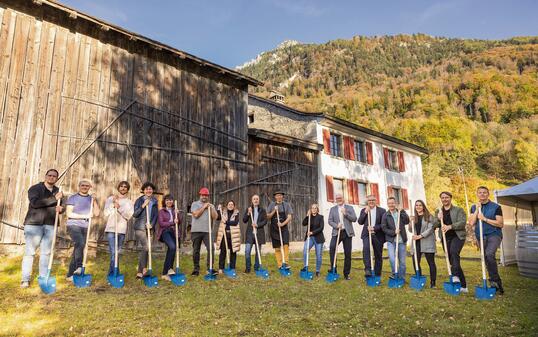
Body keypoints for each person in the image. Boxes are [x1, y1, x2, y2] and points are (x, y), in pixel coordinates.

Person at [20, 169, 64, 288]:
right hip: (34, 224)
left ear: (57, 178)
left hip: (50, 224)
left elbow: (61, 206)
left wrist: (61, 209)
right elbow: (35, 203)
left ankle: (43, 277)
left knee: (46, 252)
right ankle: (25, 279)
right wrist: (54, 199)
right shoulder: (35, 189)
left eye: (54, 176)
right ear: (45, 176)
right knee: (30, 253)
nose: (51, 177)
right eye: (49, 175)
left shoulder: (58, 191)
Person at [469, 186, 504, 294]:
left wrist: (484, 219)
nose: (482, 194)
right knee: (485, 258)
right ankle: (494, 282)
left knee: (489, 254)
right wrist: (476, 211)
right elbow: (471, 223)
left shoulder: (496, 207)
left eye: (484, 192)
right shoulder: (474, 207)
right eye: (480, 192)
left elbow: (500, 223)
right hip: (481, 236)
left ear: (488, 194)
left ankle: (496, 282)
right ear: (477, 194)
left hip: (494, 234)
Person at [432, 191, 468, 292]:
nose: (444, 199)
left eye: (446, 197)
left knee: (453, 252)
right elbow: (434, 225)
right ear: (441, 199)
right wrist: (438, 219)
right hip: (445, 238)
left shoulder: (458, 210)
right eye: (442, 197)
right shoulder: (438, 211)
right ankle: (464, 286)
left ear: (450, 198)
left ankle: (455, 275)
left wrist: (450, 226)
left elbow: (462, 222)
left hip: (457, 236)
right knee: (452, 260)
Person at [65, 179, 100, 281]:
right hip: (73, 224)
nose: (85, 187)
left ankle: (70, 275)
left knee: (78, 248)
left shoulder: (91, 199)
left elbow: (97, 213)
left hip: (85, 226)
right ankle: (79, 267)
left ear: (90, 188)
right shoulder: (73, 198)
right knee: (80, 243)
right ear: (79, 186)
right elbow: (69, 214)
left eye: (87, 186)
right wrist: (85, 216)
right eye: (83, 185)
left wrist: (95, 201)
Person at [103, 181, 134, 277]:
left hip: (121, 229)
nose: (123, 188)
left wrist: (119, 208)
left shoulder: (129, 202)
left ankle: (113, 272)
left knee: (117, 252)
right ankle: (113, 273)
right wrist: (113, 205)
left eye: (125, 187)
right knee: (113, 252)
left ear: (127, 189)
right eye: (121, 186)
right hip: (111, 228)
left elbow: (128, 216)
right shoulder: (111, 199)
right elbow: (105, 213)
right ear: (118, 188)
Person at [328, 193, 357, 280]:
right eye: (337, 198)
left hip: (347, 233)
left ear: (343, 199)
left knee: (347, 253)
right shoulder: (332, 209)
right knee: (332, 248)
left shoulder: (349, 208)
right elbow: (330, 221)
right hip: (337, 232)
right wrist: (336, 225)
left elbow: (354, 219)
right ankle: (334, 270)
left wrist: (346, 214)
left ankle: (346, 274)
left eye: (340, 198)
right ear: (335, 200)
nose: (339, 199)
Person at [190, 187, 218, 276]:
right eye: (203, 195)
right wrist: (204, 207)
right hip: (196, 230)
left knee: (211, 249)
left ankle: (210, 268)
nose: (204, 197)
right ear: (200, 195)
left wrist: (211, 209)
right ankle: (196, 269)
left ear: (208, 196)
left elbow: (215, 217)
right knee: (196, 250)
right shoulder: (194, 204)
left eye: (206, 195)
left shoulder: (211, 205)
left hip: (207, 231)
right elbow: (196, 215)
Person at [132, 182, 159, 278]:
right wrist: (143, 205)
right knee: (146, 247)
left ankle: (140, 272)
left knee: (147, 249)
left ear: (152, 191)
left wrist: (151, 224)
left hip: (149, 228)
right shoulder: (139, 200)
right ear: (143, 190)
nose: (148, 190)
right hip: (140, 227)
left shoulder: (155, 201)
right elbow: (135, 214)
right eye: (147, 189)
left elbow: (155, 215)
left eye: (150, 189)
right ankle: (144, 268)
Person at [357, 194, 387, 277]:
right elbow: (360, 222)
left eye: (373, 200)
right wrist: (365, 212)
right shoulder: (364, 210)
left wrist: (374, 228)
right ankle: (368, 269)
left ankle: (377, 273)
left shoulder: (382, 211)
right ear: (367, 202)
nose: (371, 202)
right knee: (366, 249)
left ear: (376, 201)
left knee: (378, 254)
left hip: (378, 235)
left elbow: (383, 224)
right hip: (366, 234)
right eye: (369, 200)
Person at [409, 200, 437, 288]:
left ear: (423, 206)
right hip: (416, 243)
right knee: (415, 261)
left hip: (427, 242)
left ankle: (433, 283)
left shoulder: (429, 216)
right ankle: (419, 278)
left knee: (431, 262)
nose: (418, 207)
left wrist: (420, 236)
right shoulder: (414, 217)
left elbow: (430, 229)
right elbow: (411, 230)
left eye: (420, 205)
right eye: (416, 205)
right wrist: (410, 222)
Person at [381, 196, 410, 281]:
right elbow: (384, 228)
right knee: (392, 258)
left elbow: (407, 221)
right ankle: (394, 273)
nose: (391, 205)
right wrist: (394, 232)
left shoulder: (400, 212)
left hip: (401, 240)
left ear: (395, 204)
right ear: (387, 204)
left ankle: (401, 278)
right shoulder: (385, 215)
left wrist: (403, 211)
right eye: (389, 203)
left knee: (402, 262)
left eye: (393, 203)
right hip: (391, 241)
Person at [266, 191, 293, 270]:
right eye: (277, 195)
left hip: (283, 228)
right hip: (274, 228)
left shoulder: (286, 205)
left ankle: (286, 263)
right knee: (277, 248)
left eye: (280, 195)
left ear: (282, 196)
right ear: (275, 197)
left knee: (286, 245)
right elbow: (268, 216)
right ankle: (280, 265)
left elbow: (289, 217)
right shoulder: (271, 205)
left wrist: (282, 224)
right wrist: (274, 210)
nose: (279, 197)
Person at [157, 194, 181, 281]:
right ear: (164, 202)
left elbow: (179, 222)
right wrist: (172, 223)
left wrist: (177, 215)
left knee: (173, 250)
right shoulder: (161, 211)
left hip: (174, 232)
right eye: (167, 200)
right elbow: (161, 223)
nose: (169, 201)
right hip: (165, 232)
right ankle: (167, 271)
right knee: (172, 247)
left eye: (171, 200)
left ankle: (167, 271)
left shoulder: (175, 211)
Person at [243, 194, 267, 273]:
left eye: (257, 199)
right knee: (247, 251)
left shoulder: (262, 210)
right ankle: (248, 267)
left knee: (258, 252)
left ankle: (256, 267)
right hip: (250, 234)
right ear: (252, 201)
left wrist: (257, 225)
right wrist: (248, 213)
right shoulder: (249, 209)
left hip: (259, 233)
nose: (256, 200)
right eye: (254, 199)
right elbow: (244, 220)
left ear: (258, 200)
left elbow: (265, 221)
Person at [216, 200, 241, 273]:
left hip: (233, 234)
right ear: (227, 206)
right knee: (223, 251)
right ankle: (221, 268)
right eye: (229, 204)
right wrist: (218, 209)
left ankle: (232, 267)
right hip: (224, 234)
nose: (230, 205)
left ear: (234, 206)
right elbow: (218, 218)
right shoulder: (223, 213)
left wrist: (226, 222)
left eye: (232, 204)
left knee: (233, 251)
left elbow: (235, 222)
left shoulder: (236, 213)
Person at [301, 204, 324, 277]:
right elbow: (303, 223)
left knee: (318, 255)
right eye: (312, 208)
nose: (314, 209)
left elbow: (321, 228)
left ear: (317, 209)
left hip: (318, 238)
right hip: (310, 238)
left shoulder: (320, 217)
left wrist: (312, 232)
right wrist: (307, 216)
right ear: (310, 209)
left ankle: (317, 271)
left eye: (315, 208)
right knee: (305, 251)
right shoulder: (309, 217)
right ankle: (305, 267)